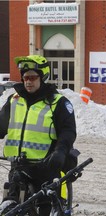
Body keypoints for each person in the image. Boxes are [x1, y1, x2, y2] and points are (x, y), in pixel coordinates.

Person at [0, 55, 77, 215]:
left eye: (33, 77)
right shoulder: (14, 100)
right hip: (18, 166)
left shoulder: (58, 102)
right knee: (9, 208)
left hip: (46, 167)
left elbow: (68, 132)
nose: (28, 81)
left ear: (43, 77)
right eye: (25, 77)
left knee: (46, 209)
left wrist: (60, 152)